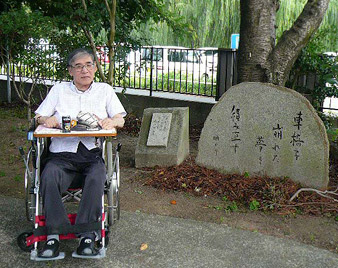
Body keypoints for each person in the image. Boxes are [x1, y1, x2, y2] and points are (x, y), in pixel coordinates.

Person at [34, 48, 126, 259]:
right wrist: (45, 120)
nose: (85, 70)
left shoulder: (104, 90)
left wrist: (112, 121)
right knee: (48, 175)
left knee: (97, 176)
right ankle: (54, 235)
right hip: (62, 155)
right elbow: (40, 115)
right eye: (79, 66)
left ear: (95, 67)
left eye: (89, 65)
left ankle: (86, 236)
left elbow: (120, 119)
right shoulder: (59, 90)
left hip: (91, 154)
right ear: (70, 71)